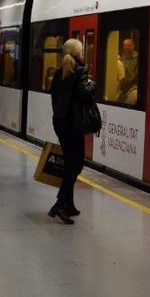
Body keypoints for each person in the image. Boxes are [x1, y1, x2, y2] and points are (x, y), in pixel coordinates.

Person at [49, 38, 95, 225]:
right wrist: (92, 85)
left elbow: (55, 98)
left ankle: (68, 204)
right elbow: (86, 96)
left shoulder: (58, 73)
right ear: (78, 53)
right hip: (74, 124)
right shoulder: (80, 72)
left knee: (71, 162)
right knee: (75, 164)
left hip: (60, 122)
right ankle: (60, 203)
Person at [116, 37, 140, 105]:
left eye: (129, 45)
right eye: (125, 46)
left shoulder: (138, 57)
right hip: (122, 85)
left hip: (132, 85)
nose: (127, 47)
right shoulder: (121, 57)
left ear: (133, 46)